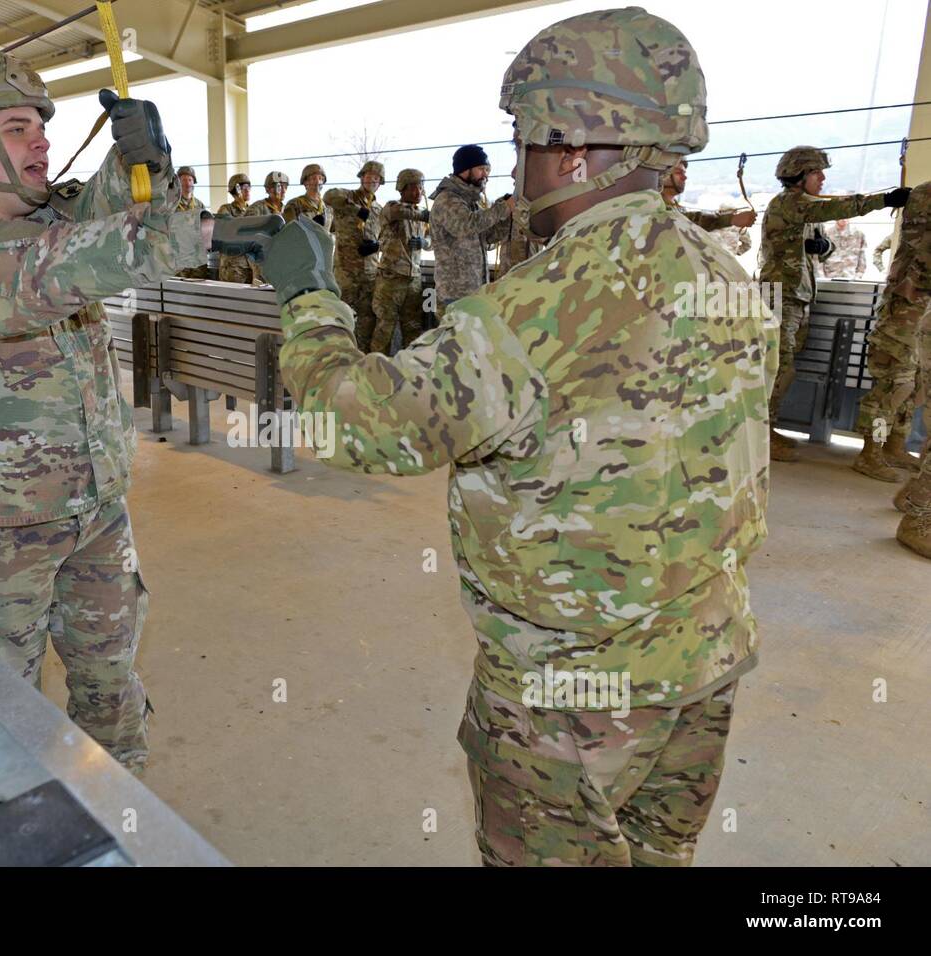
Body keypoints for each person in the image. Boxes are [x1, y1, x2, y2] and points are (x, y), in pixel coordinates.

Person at [261, 7, 776, 867]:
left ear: (572, 149)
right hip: (703, 662)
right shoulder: (723, 271)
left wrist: (309, 300)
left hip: (574, 693)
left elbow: (361, 425)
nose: (516, 165)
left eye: (523, 139)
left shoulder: (534, 308)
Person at [0, 52, 208, 771]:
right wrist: (212, 236)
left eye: (42, 124)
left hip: (95, 509)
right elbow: (62, 264)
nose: (40, 138)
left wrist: (143, 155)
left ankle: (121, 821)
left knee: (112, 687)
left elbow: (103, 207)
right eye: (15, 126)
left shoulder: (46, 217)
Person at [757, 146, 907, 461]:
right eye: (815, 172)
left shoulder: (806, 211)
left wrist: (823, 245)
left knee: (786, 367)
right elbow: (833, 210)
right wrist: (883, 200)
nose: (822, 178)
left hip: (798, 297)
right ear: (798, 175)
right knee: (776, 369)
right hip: (779, 297)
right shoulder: (789, 203)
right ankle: (760, 434)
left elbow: (821, 248)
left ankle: (766, 428)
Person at [852, 181, 929, 481]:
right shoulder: (926, 196)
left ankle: (894, 445)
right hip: (904, 312)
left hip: (920, 313)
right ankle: (871, 451)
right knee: (893, 388)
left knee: (914, 385)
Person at [428, 144, 508, 314]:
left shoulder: (471, 202)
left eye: (487, 169)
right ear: (465, 169)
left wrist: (507, 218)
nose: (486, 174)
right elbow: (466, 225)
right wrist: (503, 208)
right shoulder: (447, 199)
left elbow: (487, 238)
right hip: (455, 295)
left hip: (475, 292)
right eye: (481, 169)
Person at [369, 167, 429, 353]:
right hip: (390, 280)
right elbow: (401, 212)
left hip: (413, 281)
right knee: (384, 331)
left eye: (420, 188)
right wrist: (428, 215)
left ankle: (411, 372)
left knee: (413, 330)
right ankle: (375, 372)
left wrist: (424, 242)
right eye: (412, 188)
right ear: (401, 189)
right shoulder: (392, 208)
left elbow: (432, 240)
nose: (417, 192)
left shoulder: (420, 215)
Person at [325, 161, 384, 347]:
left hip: (369, 274)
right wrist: (358, 210)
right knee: (342, 318)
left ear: (381, 182)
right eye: (368, 175)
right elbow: (328, 196)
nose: (372, 180)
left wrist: (376, 246)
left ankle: (362, 360)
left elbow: (386, 238)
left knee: (367, 321)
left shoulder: (379, 209)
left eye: (376, 177)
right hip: (346, 273)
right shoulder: (347, 197)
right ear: (361, 177)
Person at [661, 159, 756, 232]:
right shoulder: (656, 204)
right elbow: (685, 221)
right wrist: (731, 219)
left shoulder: (675, 205)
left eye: (684, 173)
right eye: (678, 172)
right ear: (661, 176)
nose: (684, 177)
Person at [247, 171, 289, 284]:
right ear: (268, 189)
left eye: (284, 186)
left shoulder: (287, 210)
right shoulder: (256, 208)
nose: (282, 190)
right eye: (278, 186)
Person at [215, 173, 253, 284]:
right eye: (243, 188)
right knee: (232, 299)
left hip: (249, 266)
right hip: (232, 267)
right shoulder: (226, 209)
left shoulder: (252, 210)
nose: (247, 190)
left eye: (248, 187)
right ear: (235, 190)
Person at [174, 165, 209, 278]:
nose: (187, 183)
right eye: (183, 180)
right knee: (177, 289)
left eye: (190, 179)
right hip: (179, 255)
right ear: (178, 182)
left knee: (198, 288)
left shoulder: (199, 205)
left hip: (197, 255)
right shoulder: (171, 204)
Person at [282, 163, 331, 228]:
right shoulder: (294, 204)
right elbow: (290, 230)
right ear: (305, 182)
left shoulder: (327, 208)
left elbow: (334, 231)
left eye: (320, 179)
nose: (318, 182)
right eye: (313, 179)